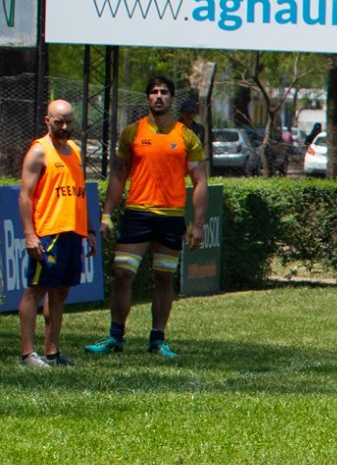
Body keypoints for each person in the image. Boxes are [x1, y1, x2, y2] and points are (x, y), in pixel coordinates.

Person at [89, 75, 207, 358]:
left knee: (164, 278)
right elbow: (118, 175)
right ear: (147, 98)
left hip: (170, 217)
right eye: (153, 92)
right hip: (137, 214)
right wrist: (105, 215)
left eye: (164, 92)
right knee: (122, 274)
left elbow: (200, 181)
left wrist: (199, 225)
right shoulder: (132, 132)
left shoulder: (187, 136)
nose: (158, 96)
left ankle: (158, 339)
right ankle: (115, 336)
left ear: (171, 99)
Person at [16, 100, 97, 369]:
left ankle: (52, 351)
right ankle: (28, 354)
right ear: (46, 120)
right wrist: (30, 235)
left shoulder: (74, 150)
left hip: (72, 232)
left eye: (69, 122)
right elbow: (25, 195)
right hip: (48, 233)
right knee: (35, 291)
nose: (64, 127)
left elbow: (79, 193)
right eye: (59, 122)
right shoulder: (39, 151)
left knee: (60, 292)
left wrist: (90, 230)